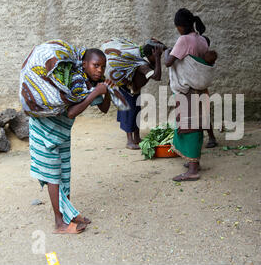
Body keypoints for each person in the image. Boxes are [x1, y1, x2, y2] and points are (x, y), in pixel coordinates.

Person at [29, 48, 113, 234]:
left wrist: (104, 91)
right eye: (95, 65)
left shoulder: (92, 83)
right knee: (53, 175)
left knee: (64, 172)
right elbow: (72, 111)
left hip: (61, 131)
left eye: (103, 66)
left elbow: (105, 109)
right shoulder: (75, 81)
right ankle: (59, 223)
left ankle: (68, 214)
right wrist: (95, 92)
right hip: (45, 129)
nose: (99, 70)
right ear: (84, 64)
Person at [165, 8, 216, 181]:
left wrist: (166, 52)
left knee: (190, 127)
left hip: (187, 89)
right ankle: (195, 162)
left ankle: (193, 170)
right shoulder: (201, 40)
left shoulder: (184, 40)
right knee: (197, 124)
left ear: (179, 26)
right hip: (199, 89)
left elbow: (168, 62)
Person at [101, 38, 164, 149]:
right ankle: (129, 141)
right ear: (151, 54)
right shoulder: (142, 65)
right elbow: (157, 76)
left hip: (134, 90)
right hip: (127, 90)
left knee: (136, 113)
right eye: (157, 54)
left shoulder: (145, 59)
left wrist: (160, 45)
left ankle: (137, 138)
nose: (160, 56)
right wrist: (158, 58)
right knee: (129, 114)